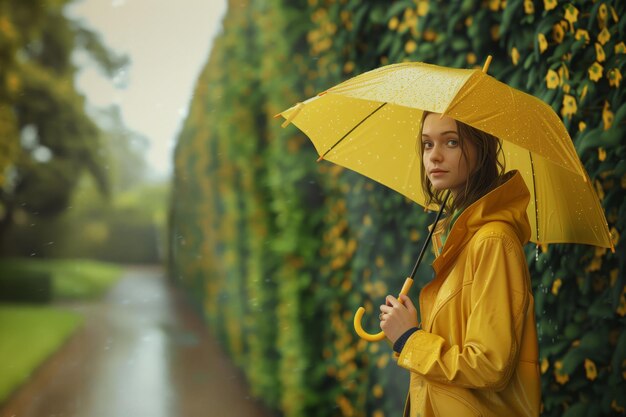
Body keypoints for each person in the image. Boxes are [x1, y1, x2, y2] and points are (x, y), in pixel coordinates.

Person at [379, 111, 541, 417]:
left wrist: (410, 338)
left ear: (481, 151)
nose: (434, 156)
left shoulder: (493, 242)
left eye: (451, 142)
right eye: (427, 144)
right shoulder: (459, 240)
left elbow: (489, 366)